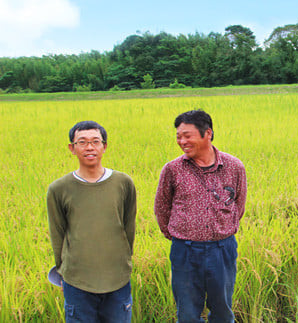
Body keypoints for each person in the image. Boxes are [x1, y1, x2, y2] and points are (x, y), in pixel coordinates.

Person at [154, 110, 247, 322]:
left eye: (187, 135)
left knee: (223, 311)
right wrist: (179, 235)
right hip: (185, 251)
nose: (182, 141)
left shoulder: (234, 167)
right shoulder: (172, 169)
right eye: (179, 136)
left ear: (208, 133)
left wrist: (223, 227)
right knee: (187, 314)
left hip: (222, 249)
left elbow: (238, 205)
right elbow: (162, 207)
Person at [47, 121, 137, 323]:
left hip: (117, 278)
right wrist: (63, 271)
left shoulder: (123, 183)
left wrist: (123, 261)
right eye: (82, 142)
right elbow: (58, 234)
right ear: (72, 148)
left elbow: (128, 227)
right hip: (77, 281)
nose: (89, 147)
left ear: (104, 146)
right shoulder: (59, 189)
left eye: (95, 142)